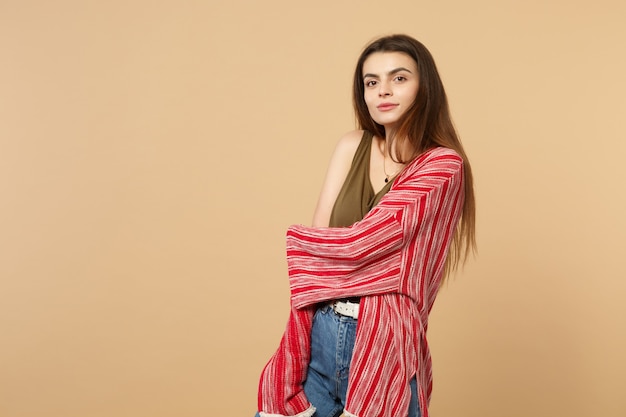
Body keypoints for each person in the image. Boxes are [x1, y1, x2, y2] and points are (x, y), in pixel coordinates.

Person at [255, 34, 476, 417]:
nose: (382, 91)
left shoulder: (443, 165)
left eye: (399, 78)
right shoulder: (350, 145)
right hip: (318, 337)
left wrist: (324, 255)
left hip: (383, 347)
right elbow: (318, 254)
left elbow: (355, 246)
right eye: (371, 82)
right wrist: (335, 260)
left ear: (426, 87)